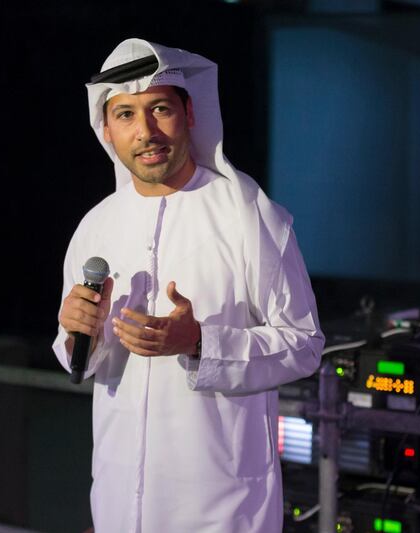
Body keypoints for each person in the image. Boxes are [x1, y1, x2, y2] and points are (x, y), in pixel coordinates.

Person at [52, 38, 324, 533]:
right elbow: (86, 359)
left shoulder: (249, 216)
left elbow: (304, 345)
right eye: (127, 115)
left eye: (160, 109)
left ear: (189, 113)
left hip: (222, 510)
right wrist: (76, 335)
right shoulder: (96, 226)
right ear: (107, 130)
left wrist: (199, 342)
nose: (146, 131)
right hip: (117, 506)